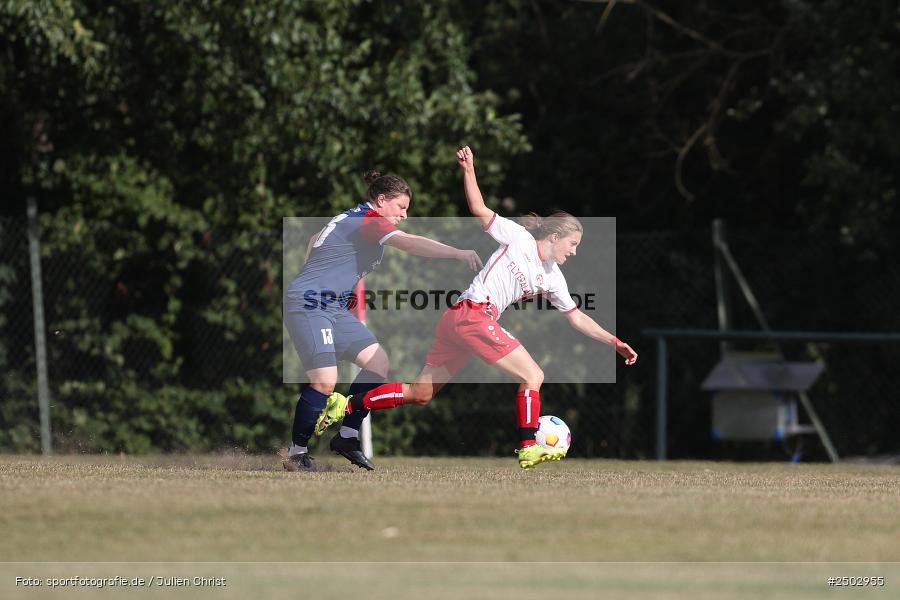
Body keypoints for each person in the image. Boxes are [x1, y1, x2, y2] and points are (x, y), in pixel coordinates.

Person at [314, 146, 637, 469]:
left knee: (420, 394)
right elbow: (479, 207)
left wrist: (613, 342)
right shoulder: (519, 238)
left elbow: (576, 317)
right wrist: (469, 170)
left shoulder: (553, 278)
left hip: (462, 320)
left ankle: (345, 406)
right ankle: (528, 446)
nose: (575, 252)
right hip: (472, 315)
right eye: (573, 244)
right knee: (533, 374)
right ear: (554, 236)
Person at [282, 170, 483, 472]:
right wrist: (457, 253)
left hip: (332, 306)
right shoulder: (371, 220)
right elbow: (411, 244)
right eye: (401, 207)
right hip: (311, 303)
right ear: (381, 201)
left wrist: (326, 275)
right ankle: (296, 453)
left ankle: (347, 437)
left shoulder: (356, 217)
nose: (405, 214)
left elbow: (314, 240)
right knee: (325, 381)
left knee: (377, 363)